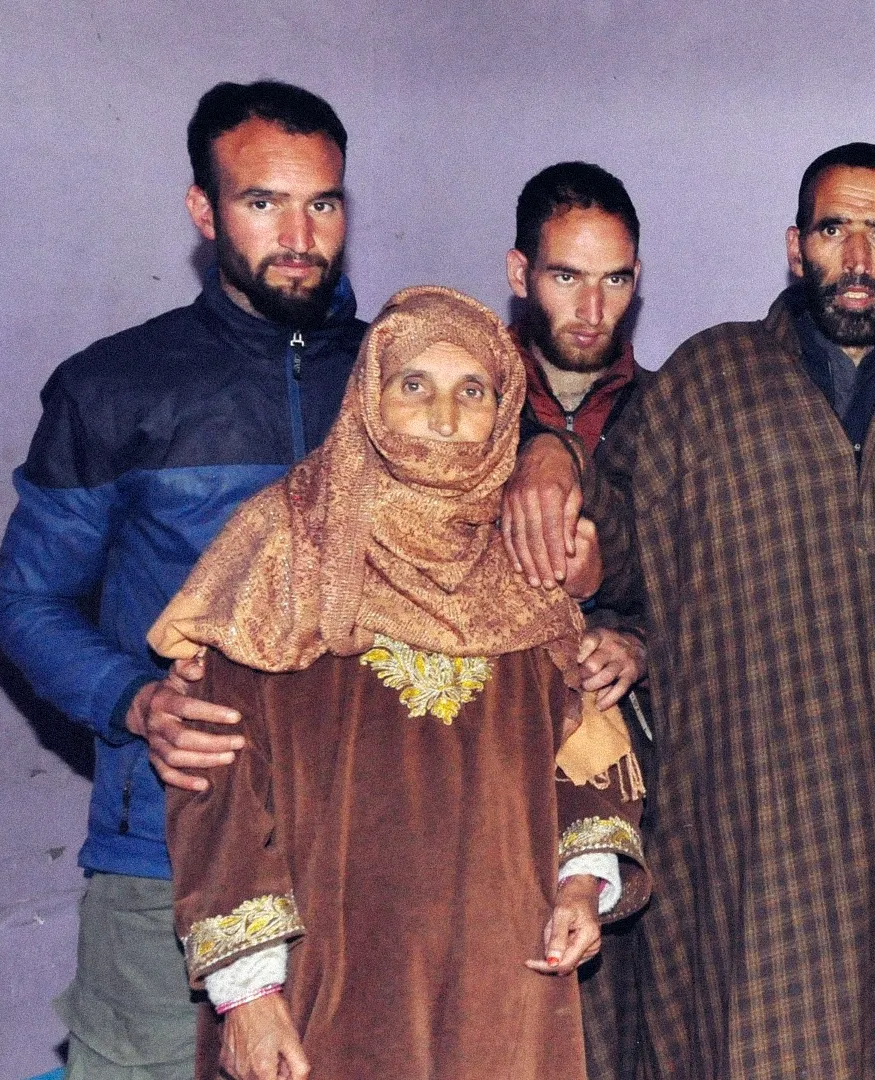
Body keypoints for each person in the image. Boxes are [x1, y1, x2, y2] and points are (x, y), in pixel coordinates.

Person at [571, 141, 875, 1079]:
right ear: (795, 247)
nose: (857, 257)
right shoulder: (703, 388)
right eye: (834, 229)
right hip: (751, 832)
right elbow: (603, 561)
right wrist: (630, 634)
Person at [154, 286, 649, 1080]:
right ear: (368, 395)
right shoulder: (281, 549)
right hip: (324, 982)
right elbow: (214, 780)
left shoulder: (525, 567)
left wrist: (581, 888)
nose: (444, 419)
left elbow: (588, 756)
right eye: (414, 385)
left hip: (504, 980)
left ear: (506, 414)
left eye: (474, 392)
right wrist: (249, 996)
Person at [0, 79, 363, 1079]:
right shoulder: (114, 385)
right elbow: (24, 601)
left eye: (322, 203)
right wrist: (133, 697)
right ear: (204, 211)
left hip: (358, 846)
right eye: (262, 201)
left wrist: (547, 463)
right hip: (164, 843)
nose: (298, 232)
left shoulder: (392, 385)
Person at [500, 160, 655, 1079]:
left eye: (617, 279)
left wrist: (638, 639)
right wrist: (541, 446)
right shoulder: (453, 399)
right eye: (566, 276)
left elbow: (708, 587)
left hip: (635, 795)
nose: (593, 307)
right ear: (520, 274)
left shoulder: (672, 409)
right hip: (481, 782)